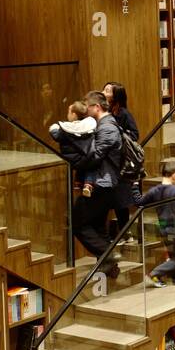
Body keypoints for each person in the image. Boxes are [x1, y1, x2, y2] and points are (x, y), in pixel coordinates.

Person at [72, 90, 123, 271]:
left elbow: (96, 156)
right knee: (98, 227)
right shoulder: (103, 125)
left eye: (87, 106)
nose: (85, 110)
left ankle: (109, 255)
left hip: (101, 184)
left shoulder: (107, 127)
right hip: (103, 183)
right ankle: (110, 268)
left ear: (97, 107)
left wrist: (75, 160)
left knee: (77, 222)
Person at [132, 161, 175, 286]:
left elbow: (139, 202)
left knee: (174, 258)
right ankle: (153, 274)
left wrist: (134, 185)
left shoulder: (154, 190)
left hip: (164, 229)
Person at [103, 82, 138, 231]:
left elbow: (135, 134)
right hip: (108, 161)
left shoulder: (123, 113)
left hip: (120, 162)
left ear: (115, 96)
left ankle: (125, 232)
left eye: (107, 91)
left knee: (120, 199)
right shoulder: (104, 111)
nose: (103, 92)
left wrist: (118, 133)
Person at [49, 100, 95, 175]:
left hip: (72, 162)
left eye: (69, 112)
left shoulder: (66, 130)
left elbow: (56, 136)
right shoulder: (90, 126)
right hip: (88, 160)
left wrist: (53, 128)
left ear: (73, 114)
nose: (68, 114)